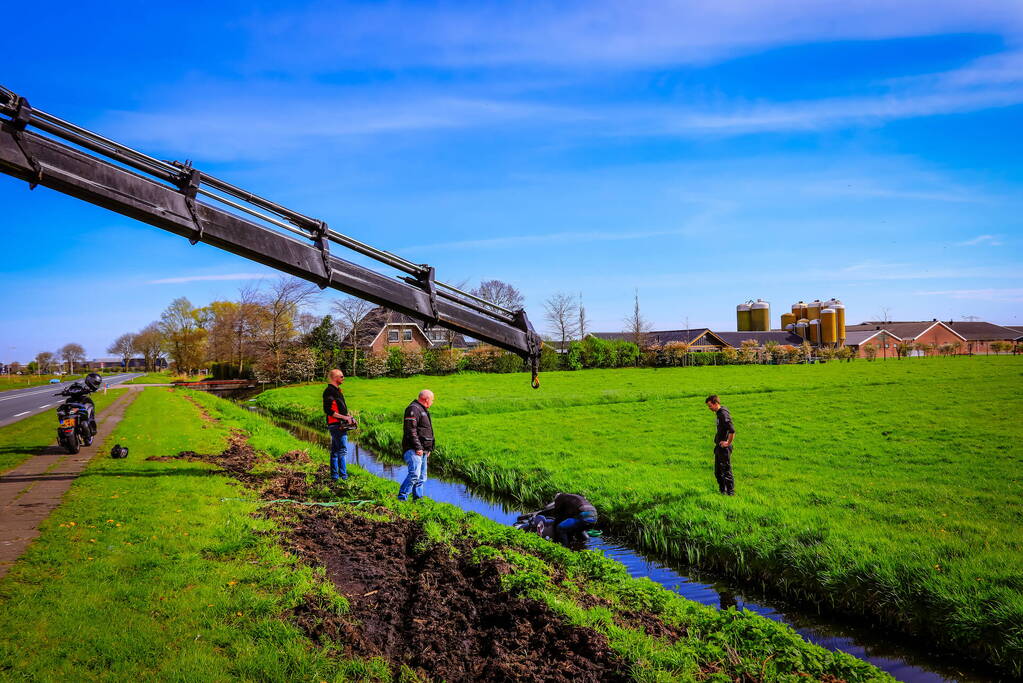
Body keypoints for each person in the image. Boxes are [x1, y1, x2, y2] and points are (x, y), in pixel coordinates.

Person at [397, 390, 434, 501]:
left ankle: (417, 499)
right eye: (432, 399)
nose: (432, 402)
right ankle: (402, 498)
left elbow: (425, 430)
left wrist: (428, 449)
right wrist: (418, 447)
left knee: (422, 477)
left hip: (423, 449)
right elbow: (411, 431)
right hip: (414, 449)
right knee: (414, 475)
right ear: (426, 399)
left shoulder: (422, 409)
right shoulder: (413, 409)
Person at [322, 369, 355, 482]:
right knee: (342, 450)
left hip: (338, 423)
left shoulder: (337, 391)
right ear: (335, 378)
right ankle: (343, 477)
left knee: (335, 452)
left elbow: (339, 407)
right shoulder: (329, 391)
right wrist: (345, 418)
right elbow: (328, 410)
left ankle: (335, 477)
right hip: (336, 425)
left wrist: (348, 415)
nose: (343, 378)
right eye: (341, 376)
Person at [705, 394, 735, 495]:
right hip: (719, 447)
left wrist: (728, 442)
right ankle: (722, 491)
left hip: (724, 448)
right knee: (718, 472)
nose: (709, 408)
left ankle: (730, 493)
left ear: (716, 403)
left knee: (726, 471)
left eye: (710, 406)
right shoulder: (719, 412)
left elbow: (732, 430)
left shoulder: (723, 414)